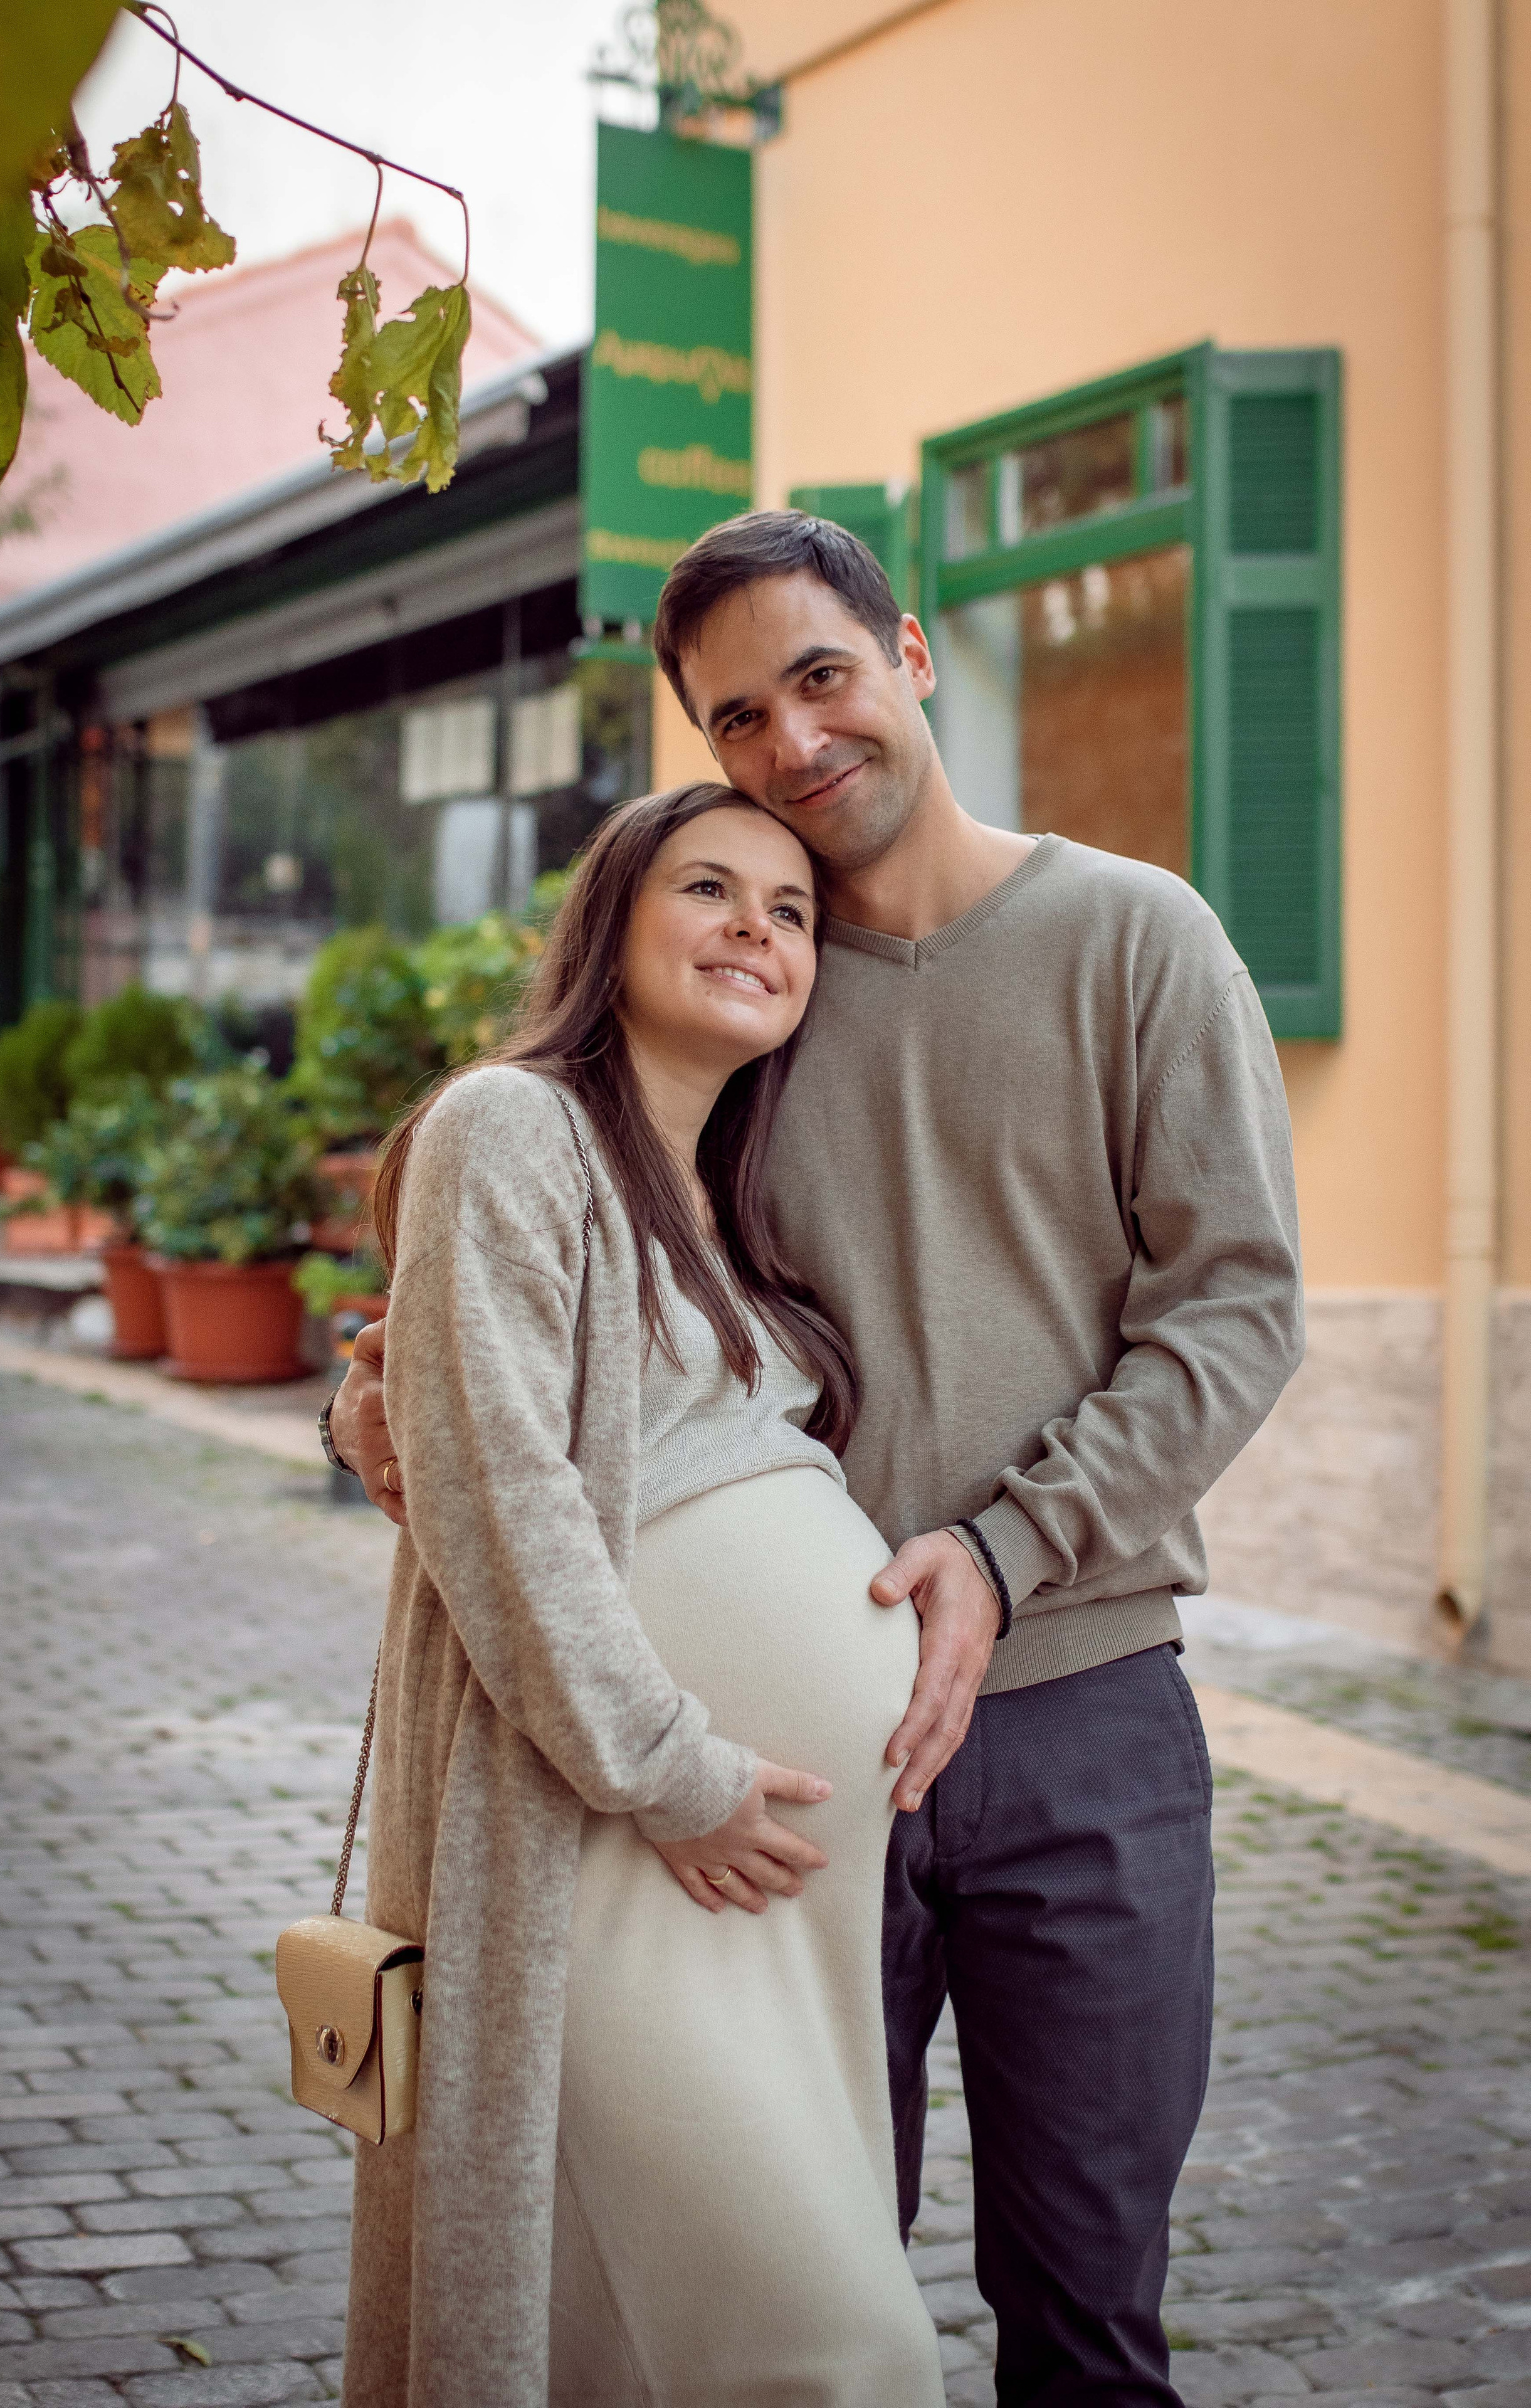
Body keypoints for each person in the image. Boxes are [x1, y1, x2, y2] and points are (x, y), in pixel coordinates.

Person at [332, 512, 1305, 2406]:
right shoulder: (738, 994)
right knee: (788, 2297)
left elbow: (1237, 1315)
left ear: (916, 656)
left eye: (823, 679)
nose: (791, 742)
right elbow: (526, 1277)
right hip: (780, 1782)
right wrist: (373, 1407)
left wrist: (1008, 1551)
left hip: (1075, 1719)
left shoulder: (1135, 938)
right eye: (737, 716)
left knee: (1087, 2311)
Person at [339, 781, 946, 2408]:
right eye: (710, 888)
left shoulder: (731, 1199)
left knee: (628, 2336)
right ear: (609, 927)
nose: (760, 927)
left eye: (794, 909)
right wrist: (671, 1772)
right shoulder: (512, 1126)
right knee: (834, 2355)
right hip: (609, 1843)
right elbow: (506, 1499)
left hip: (772, 1902)